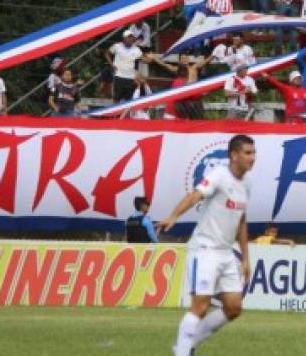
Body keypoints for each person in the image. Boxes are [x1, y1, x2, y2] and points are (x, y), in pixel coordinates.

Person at [158, 134, 255, 356]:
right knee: (200, 305)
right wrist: (174, 215)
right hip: (204, 249)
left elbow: (241, 220)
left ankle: (185, 345)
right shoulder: (219, 175)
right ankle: (182, 352)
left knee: (233, 307)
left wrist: (246, 257)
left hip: (225, 253)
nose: (253, 157)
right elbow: (196, 196)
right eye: (248, 153)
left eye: (253, 152)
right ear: (234, 155)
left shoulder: (247, 183)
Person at [106, 29, 150, 102]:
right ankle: (116, 113)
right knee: (116, 100)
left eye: (131, 37)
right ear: (124, 38)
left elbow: (145, 60)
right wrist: (111, 65)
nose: (130, 39)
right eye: (128, 37)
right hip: (119, 76)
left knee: (129, 101)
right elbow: (107, 53)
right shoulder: (117, 46)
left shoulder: (136, 50)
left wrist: (150, 59)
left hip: (130, 78)